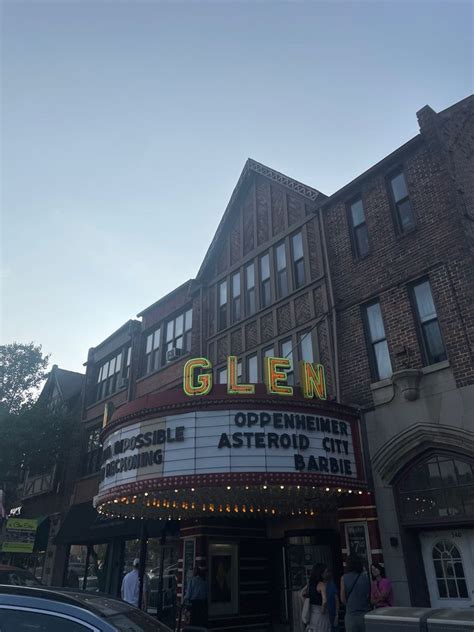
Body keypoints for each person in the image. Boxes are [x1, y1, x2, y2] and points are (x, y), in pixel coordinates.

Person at [340, 554, 370, 632]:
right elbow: (369, 594)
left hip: (351, 615)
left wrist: (349, 604)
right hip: (365, 613)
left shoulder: (344, 578)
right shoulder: (365, 577)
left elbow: (342, 598)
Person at [300, 564, 331, 632]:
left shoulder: (310, 584)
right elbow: (324, 600)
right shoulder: (322, 585)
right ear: (321, 574)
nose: (327, 574)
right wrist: (323, 610)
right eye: (326, 572)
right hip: (321, 613)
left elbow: (302, 593)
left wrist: (305, 603)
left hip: (312, 612)